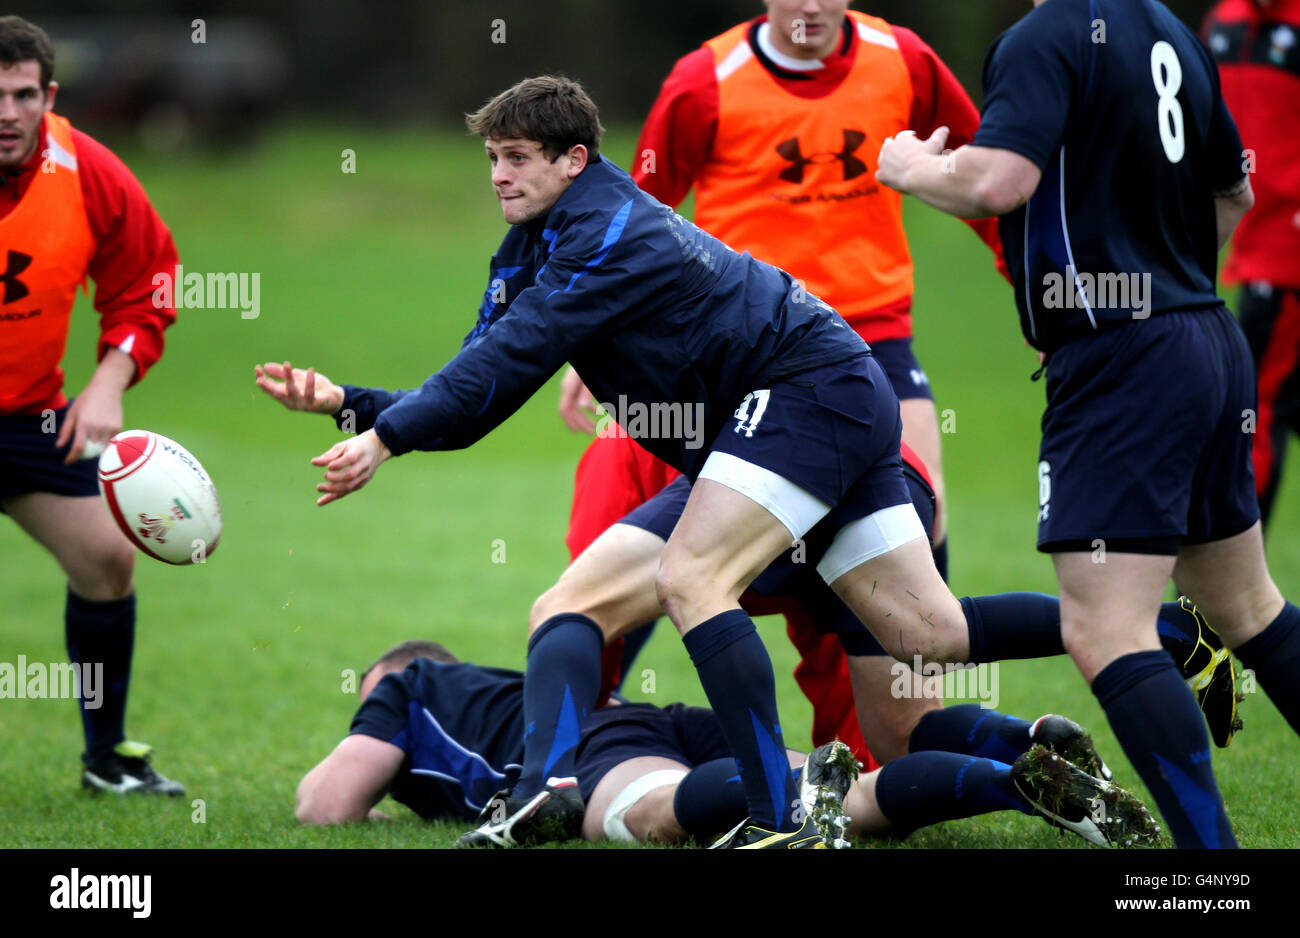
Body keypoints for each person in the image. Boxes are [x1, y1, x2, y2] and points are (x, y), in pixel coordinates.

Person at [256, 74, 1236, 850]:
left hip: (810, 396)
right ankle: (1168, 631)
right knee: (921, 628)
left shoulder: (606, 230)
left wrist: (386, 438)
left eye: (517, 158)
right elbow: (474, 380)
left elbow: (510, 363)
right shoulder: (531, 242)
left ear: (573, 159)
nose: (499, 175)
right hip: (782, 420)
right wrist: (354, 404)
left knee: (691, 575)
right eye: (491, 159)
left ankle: (773, 815)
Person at [874, 0, 1300, 849]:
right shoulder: (1175, 31)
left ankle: (1208, 874)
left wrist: (906, 169)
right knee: (1249, 607)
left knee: (1105, 627)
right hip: (1206, 340)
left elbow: (999, 181)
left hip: (1123, 363)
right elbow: (1234, 191)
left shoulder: (1044, 37)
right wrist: (1161, 268)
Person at [559, 0, 1012, 587]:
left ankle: (917, 662)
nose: (812, 5)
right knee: (665, 531)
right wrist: (595, 322)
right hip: (744, 344)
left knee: (921, 518)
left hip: (872, 338)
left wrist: (1043, 302)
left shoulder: (904, 60)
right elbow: (636, 211)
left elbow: (988, 182)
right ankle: (594, 668)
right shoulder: (706, 78)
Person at [296, 639, 1161, 848]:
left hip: (603, 747)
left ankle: (1014, 778)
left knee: (658, 816)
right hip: (656, 718)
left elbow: (328, 806)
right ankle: (1018, 776)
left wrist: (373, 762)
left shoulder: (405, 690)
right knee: (851, 803)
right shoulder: (483, 690)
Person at [0, 16, 182, 794]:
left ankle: (105, 759)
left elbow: (150, 283)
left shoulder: (88, 170)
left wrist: (109, 380)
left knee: (108, 559)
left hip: (28, 417)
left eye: (21, 95)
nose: (6, 113)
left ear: (49, 94)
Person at [1203, 0, 1300, 528]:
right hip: (1248, 245)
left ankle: (1239, 579)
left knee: (1255, 405)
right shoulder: (1223, 21)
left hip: (1287, 259)